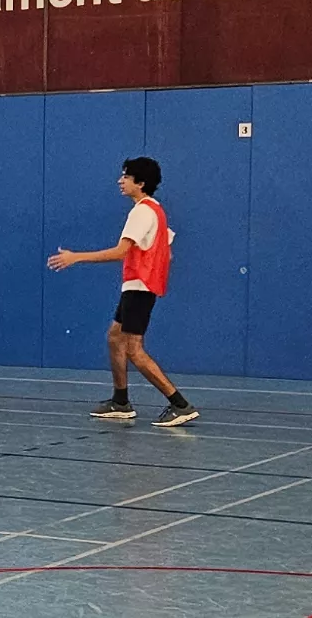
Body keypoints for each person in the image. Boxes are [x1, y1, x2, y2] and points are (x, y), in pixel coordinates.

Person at [47, 157, 198, 427]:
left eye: (126, 177)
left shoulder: (141, 212)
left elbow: (120, 252)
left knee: (134, 349)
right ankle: (120, 401)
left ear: (140, 183)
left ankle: (179, 404)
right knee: (115, 338)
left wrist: (76, 257)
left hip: (139, 287)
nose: (120, 180)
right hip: (138, 285)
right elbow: (168, 250)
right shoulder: (156, 210)